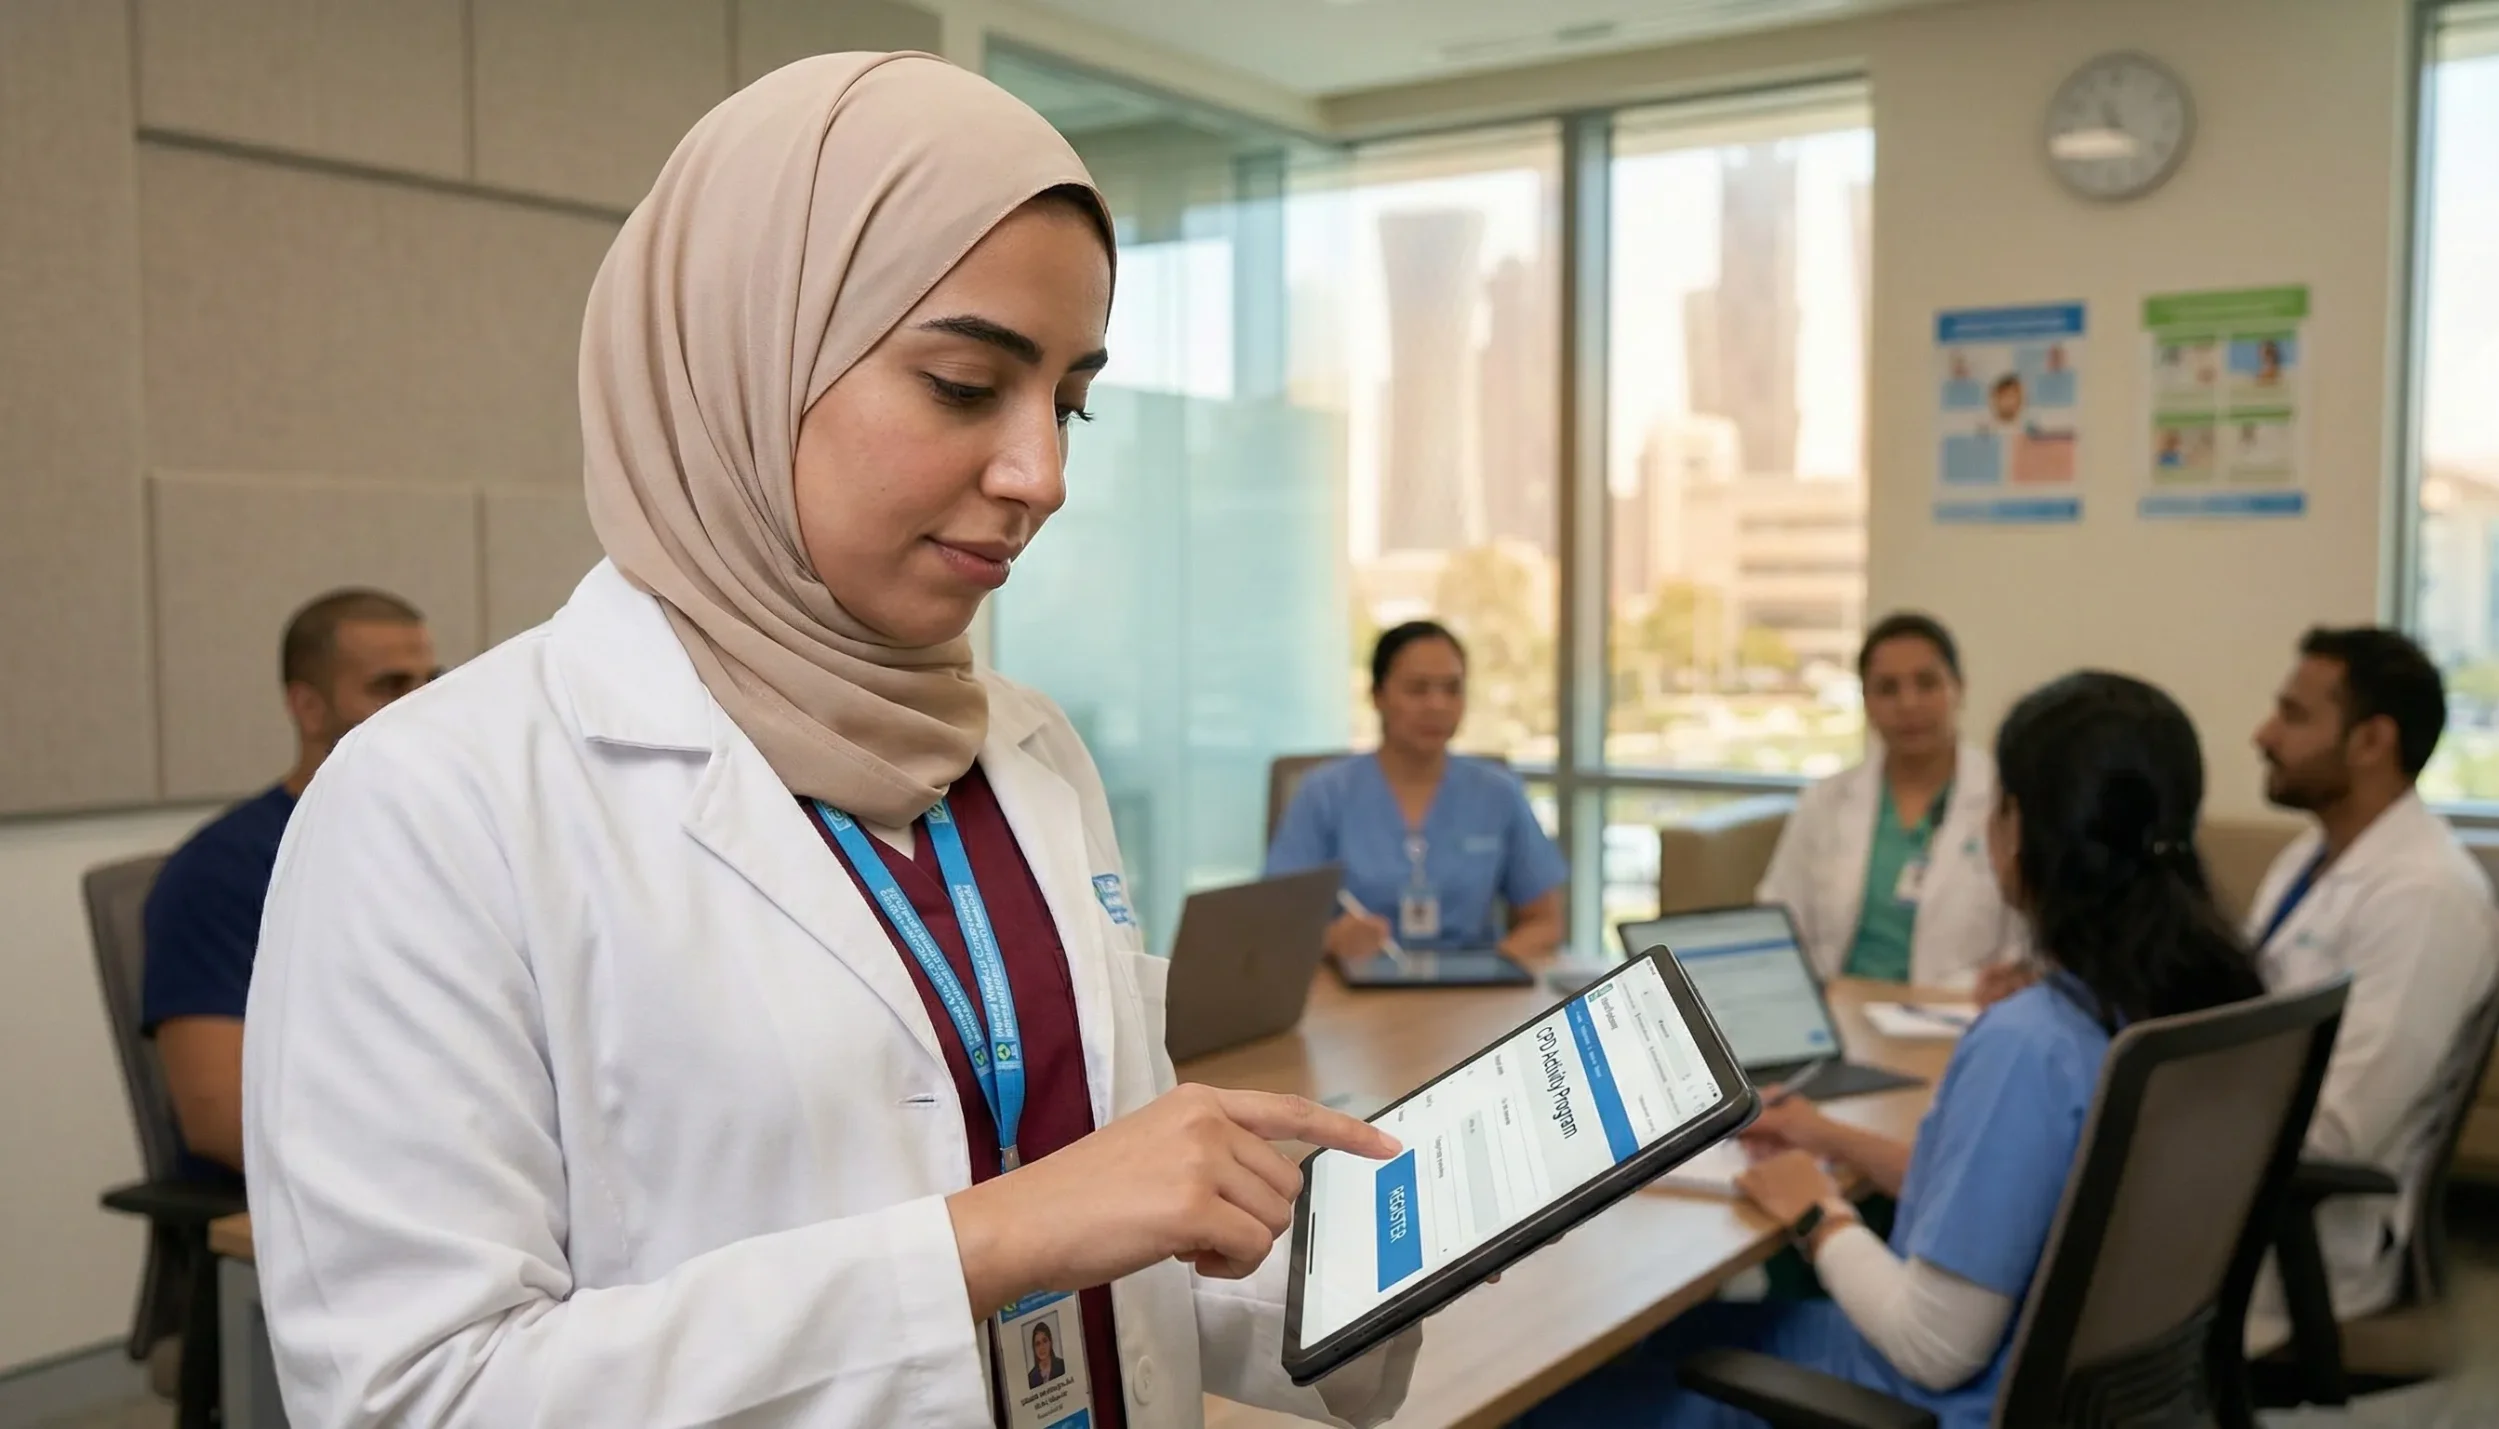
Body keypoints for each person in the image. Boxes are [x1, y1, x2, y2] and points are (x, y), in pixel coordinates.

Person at [240, 54, 1416, 1429]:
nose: (1042, 475)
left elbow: (1110, 1221)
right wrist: (992, 1237)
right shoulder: (436, 804)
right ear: (748, 358)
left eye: (1070, 403)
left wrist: (1381, 1255)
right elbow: (416, 1397)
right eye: (966, 385)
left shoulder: (1023, 751)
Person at [1522, 672, 2265, 1428]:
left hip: (1909, 1401)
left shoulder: (2029, 1045)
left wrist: (1813, 1210)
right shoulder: (2181, 1006)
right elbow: (2020, 1206)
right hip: (2069, 1397)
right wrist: (1826, 1136)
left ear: (2021, 831)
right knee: (1652, 1345)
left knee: (1546, 1397)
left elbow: (1934, 1345)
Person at [2245, 627, 2499, 1335]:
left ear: (2371, 741)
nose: (2263, 735)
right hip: (2244, 1180)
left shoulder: (2424, 898)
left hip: (2301, 1239)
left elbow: (2336, 1133)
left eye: (2294, 715)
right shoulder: (2313, 854)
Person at [140, 588, 437, 1186]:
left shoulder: (446, 842)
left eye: (430, 682)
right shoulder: (220, 872)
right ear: (308, 707)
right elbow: (220, 1117)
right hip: (328, 1200)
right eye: (388, 686)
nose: (420, 706)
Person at [1267, 621, 1566, 964]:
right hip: (1353, 984)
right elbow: (1278, 921)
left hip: (1474, 988)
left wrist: (1492, 970)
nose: (1437, 705)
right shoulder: (1325, 793)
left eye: (1452, 689)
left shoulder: (1498, 793)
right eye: (1417, 689)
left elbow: (1545, 921)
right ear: (1378, 695)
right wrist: (1332, 939)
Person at [1757, 614, 2027, 989]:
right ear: (1866, 702)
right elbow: (1778, 918)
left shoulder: (2006, 802)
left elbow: (2024, 946)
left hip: (1961, 1010)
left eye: (1927, 683)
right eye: (1887, 689)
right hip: (1838, 1007)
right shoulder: (1825, 801)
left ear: (1959, 689)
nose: (1908, 704)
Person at [1028, 1320, 1068, 1388]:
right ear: (1034, 1348)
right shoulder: (1031, 1378)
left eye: (1045, 1341)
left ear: (1050, 1342)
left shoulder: (1062, 1366)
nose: (1042, 1347)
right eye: (1038, 1344)